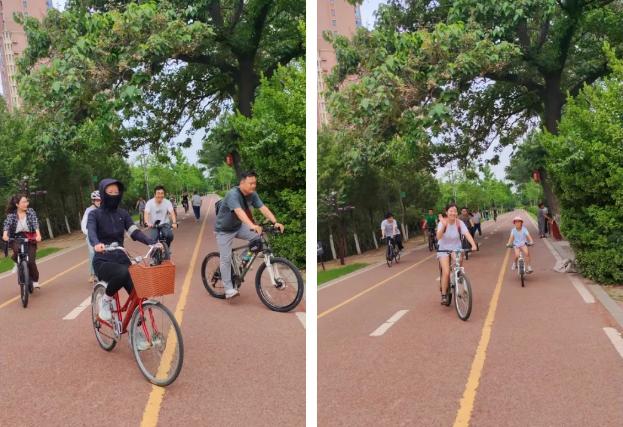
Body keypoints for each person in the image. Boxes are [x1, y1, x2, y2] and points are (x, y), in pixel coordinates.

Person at [87, 179, 161, 348]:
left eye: (116, 192)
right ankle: (105, 301)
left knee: (139, 294)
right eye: (110, 192)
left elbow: (134, 232)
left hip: (121, 258)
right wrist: (96, 244)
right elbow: (91, 232)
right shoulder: (94, 215)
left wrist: (151, 242)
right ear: (103, 193)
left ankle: (136, 333)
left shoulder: (123, 214)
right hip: (103, 259)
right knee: (122, 273)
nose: (114, 195)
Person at [215, 171, 284, 299]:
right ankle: (229, 289)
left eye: (255, 183)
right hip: (224, 230)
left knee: (258, 238)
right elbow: (239, 212)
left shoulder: (253, 194)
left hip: (238, 226)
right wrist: (252, 226)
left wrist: (275, 222)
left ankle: (243, 258)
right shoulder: (233, 194)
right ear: (242, 183)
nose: (253, 186)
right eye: (250, 183)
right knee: (225, 259)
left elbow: (263, 208)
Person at [437, 204, 478, 306]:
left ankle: (458, 282)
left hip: (456, 248)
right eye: (450, 211)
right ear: (447, 212)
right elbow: (438, 237)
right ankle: (444, 295)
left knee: (458, 267)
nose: (453, 213)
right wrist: (444, 225)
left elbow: (467, 234)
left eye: (455, 211)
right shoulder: (442, 222)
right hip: (443, 249)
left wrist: (473, 245)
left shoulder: (459, 223)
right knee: (446, 272)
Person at [2, 194, 43, 288]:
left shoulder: (30, 211)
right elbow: (7, 224)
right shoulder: (12, 215)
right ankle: (18, 262)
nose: (26, 204)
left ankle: (35, 280)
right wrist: (5, 234)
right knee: (17, 251)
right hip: (16, 237)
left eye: (26, 201)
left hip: (30, 236)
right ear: (17, 204)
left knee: (31, 261)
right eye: (23, 202)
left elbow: (35, 223)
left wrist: (38, 235)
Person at [144, 185, 178, 250]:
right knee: (152, 241)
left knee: (169, 235)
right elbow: (146, 213)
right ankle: (154, 254)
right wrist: (146, 222)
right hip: (153, 225)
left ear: (164, 194)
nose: (160, 195)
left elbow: (172, 213)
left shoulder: (167, 202)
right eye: (158, 193)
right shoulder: (149, 203)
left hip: (164, 223)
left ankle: (167, 248)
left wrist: (174, 223)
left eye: (162, 193)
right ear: (154, 194)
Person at [81, 191, 101, 283]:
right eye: (97, 200)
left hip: (101, 235)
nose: (99, 202)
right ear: (93, 201)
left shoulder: (102, 210)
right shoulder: (89, 211)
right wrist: (89, 233)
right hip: (91, 236)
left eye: (100, 200)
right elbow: (83, 224)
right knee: (93, 254)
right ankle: (93, 275)